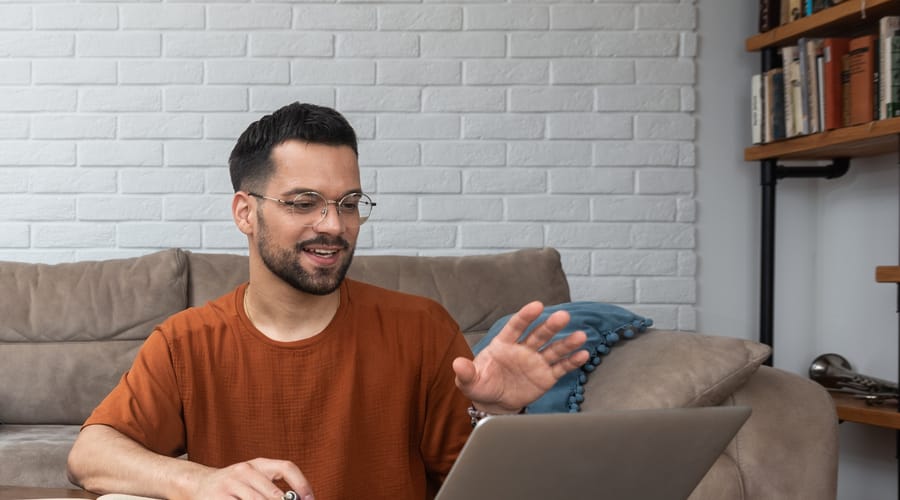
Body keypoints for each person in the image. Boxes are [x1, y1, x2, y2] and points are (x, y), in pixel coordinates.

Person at [66, 102, 589, 500]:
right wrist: (201, 481)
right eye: (303, 203)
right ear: (246, 213)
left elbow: (483, 488)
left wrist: (498, 416)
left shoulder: (422, 328)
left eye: (349, 203)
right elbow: (89, 454)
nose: (334, 226)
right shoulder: (187, 341)